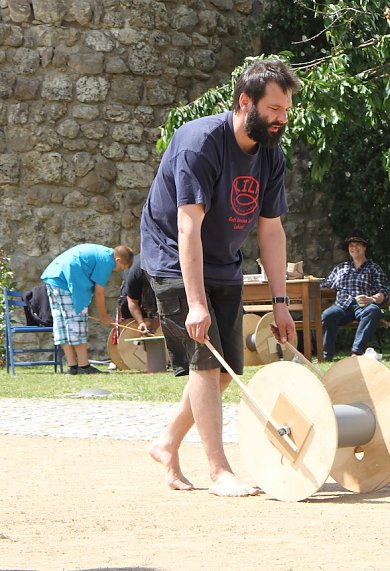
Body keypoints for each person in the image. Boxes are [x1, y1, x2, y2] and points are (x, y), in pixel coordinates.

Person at [139, 59, 300, 497]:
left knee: (227, 368)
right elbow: (187, 227)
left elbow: (270, 229)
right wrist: (195, 303)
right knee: (205, 365)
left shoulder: (271, 154)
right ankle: (218, 472)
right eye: (274, 109)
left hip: (224, 261)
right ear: (245, 102)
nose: (282, 119)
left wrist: (280, 303)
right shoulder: (199, 143)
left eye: (286, 110)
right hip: (174, 257)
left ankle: (166, 442)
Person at [40, 244, 134, 374]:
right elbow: (99, 292)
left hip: (54, 279)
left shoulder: (103, 253)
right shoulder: (107, 261)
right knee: (76, 323)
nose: (119, 270)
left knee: (62, 325)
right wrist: (104, 316)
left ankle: (73, 367)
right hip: (65, 282)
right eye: (122, 267)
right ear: (117, 260)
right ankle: (84, 366)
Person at [320, 231, 389, 360]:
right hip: (342, 306)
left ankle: (356, 353)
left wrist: (371, 299)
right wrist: (310, 281)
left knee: (373, 310)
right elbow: (325, 285)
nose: (354, 248)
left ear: (364, 247)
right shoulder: (341, 268)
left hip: (362, 306)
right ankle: (326, 356)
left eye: (357, 245)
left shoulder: (374, 268)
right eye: (351, 245)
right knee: (327, 315)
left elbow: (383, 293)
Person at [117, 256, 188, 376]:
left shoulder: (168, 274)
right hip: (131, 296)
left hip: (162, 285)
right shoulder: (135, 274)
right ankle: (122, 359)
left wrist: (156, 324)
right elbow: (132, 302)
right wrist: (140, 323)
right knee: (126, 310)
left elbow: (167, 303)